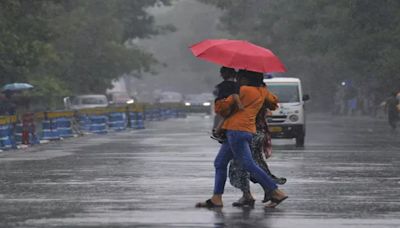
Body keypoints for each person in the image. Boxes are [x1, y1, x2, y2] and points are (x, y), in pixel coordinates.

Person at [196, 70, 288, 209]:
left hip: (236, 130)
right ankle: (216, 198)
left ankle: (275, 191)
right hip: (247, 130)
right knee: (220, 163)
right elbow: (273, 103)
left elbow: (222, 108)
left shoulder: (241, 90)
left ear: (245, 78)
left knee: (248, 164)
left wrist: (225, 97)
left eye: (241, 77)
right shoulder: (262, 91)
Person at [228, 97, 286, 207]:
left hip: (249, 133)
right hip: (258, 133)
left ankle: (271, 192)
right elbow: (271, 108)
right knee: (255, 164)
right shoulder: (261, 94)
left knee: (242, 165)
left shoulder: (245, 95)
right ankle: (263, 192)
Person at [212, 67, 243, 142]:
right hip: (233, 107)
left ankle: (218, 132)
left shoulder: (219, 86)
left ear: (222, 75)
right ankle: (218, 132)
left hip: (222, 106)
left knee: (222, 118)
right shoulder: (238, 86)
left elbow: (215, 93)